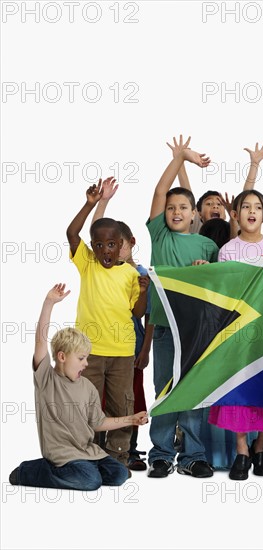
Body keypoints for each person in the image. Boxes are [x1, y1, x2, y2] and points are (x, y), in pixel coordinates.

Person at [9, 284, 148, 490]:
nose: (86, 363)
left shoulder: (87, 386)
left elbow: (98, 422)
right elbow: (40, 341)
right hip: (62, 456)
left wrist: (131, 419)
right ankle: (29, 471)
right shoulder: (46, 379)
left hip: (88, 453)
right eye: (81, 358)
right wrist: (49, 304)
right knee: (90, 481)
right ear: (62, 357)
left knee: (119, 474)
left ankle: (87, 470)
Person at [147, 135, 219, 479]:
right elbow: (161, 191)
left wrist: (208, 272)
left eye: (183, 208)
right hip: (164, 327)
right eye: (172, 208)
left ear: (194, 214)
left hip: (196, 332)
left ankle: (193, 454)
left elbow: (221, 285)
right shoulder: (159, 236)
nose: (175, 211)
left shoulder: (206, 243)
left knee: (193, 391)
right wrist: (180, 158)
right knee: (163, 389)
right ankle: (160, 453)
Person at [208, 189, 263, 481]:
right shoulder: (228, 250)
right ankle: (242, 449)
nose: (252, 211)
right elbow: (224, 290)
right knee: (239, 389)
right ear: (236, 214)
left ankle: (261, 447)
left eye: (258, 207)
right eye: (246, 207)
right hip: (239, 329)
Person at [66, 180, 149, 466]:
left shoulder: (129, 273)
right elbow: (71, 232)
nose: (106, 250)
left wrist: (145, 290)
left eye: (112, 244)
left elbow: (137, 312)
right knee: (87, 404)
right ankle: (87, 454)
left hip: (122, 351)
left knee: (121, 404)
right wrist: (90, 204)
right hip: (88, 351)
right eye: (99, 245)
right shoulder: (87, 263)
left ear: (121, 245)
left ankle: (118, 456)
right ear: (93, 247)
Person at [91, 179, 153, 471]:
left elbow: (145, 314)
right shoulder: (99, 267)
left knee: (128, 398)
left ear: (128, 245)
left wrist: (146, 349)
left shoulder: (139, 274)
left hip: (129, 347)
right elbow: (96, 230)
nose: (114, 249)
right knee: (99, 399)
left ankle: (127, 450)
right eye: (107, 244)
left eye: (120, 244)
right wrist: (102, 202)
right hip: (98, 347)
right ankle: (97, 450)